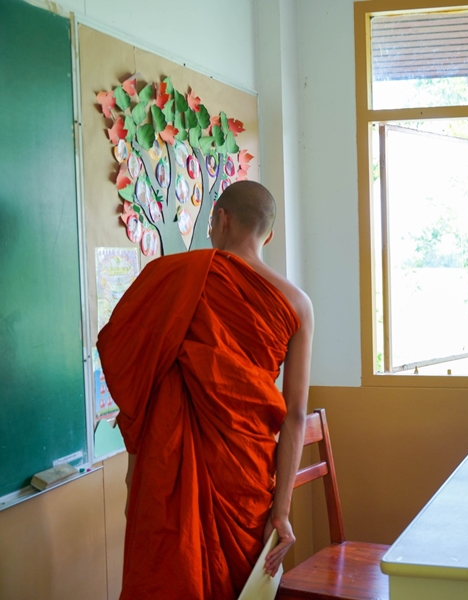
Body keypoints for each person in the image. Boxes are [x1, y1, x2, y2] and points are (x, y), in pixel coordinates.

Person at [97, 181, 314, 600]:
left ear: (220, 219)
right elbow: (296, 414)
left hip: (163, 475)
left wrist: (132, 476)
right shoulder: (298, 304)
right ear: (268, 235)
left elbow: (131, 372)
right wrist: (282, 513)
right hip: (246, 479)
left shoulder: (171, 277)